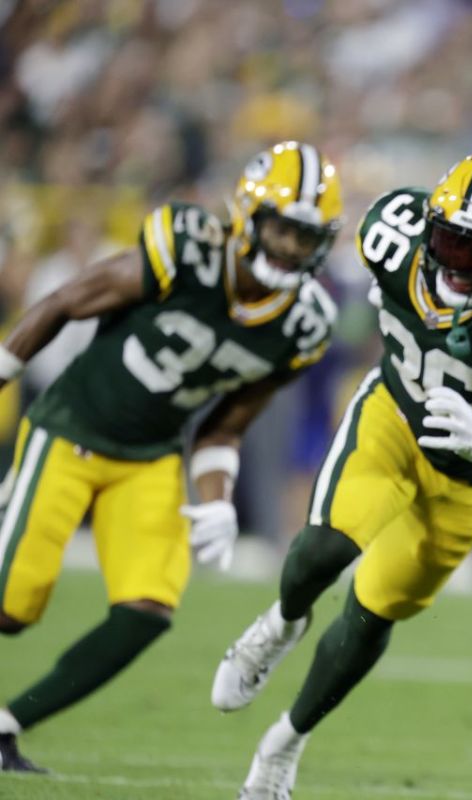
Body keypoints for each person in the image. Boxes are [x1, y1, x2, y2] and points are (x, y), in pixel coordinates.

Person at [210, 150, 472, 800]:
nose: (459, 264)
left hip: (467, 478)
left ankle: (285, 742)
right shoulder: (391, 230)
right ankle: (281, 621)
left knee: (373, 610)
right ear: (429, 225)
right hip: (392, 415)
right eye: (449, 242)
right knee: (326, 548)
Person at [0, 141, 343, 772]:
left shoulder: (305, 323)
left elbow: (224, 427)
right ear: (247, 214)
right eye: (283, 229)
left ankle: (5, 726)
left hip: (152, 455)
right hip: (72, 427)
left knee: (148, 609)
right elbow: (65, 300)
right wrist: (5, 366)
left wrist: (216, 502)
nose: (293, 248)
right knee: (12, 608)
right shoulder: (185, 250)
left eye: (308, 236)